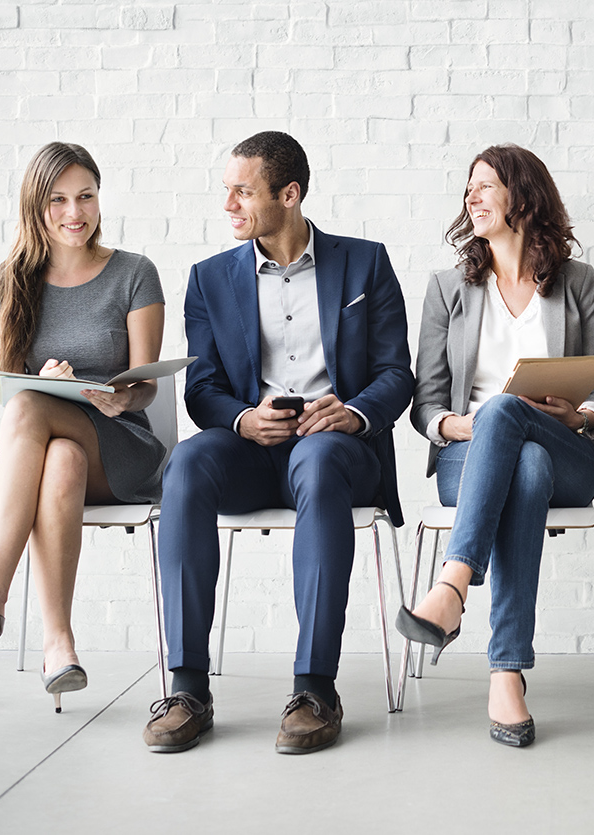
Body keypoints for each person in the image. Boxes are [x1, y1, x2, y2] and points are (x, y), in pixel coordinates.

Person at [143, 131, 413, 754]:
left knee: (317, 459)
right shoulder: (210, 279)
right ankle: (187, 687)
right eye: (227, 191)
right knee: (187, 462)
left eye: (243, 191)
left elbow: (396, 372)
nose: (229, 204)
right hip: (252, 450)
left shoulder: (365, 263)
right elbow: (202, 387)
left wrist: (353, 413)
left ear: (289, 195)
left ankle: (315, 688)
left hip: (338, 450)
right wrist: (243, 419)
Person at [0, 142, 166, 713]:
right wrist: (41, 381)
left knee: (33, 411)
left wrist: (119, 398)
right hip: (37, 455)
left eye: (86, 196)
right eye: (58, 200)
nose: (74, 212)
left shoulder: (134, 273)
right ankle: (59, 645)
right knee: (59, 455)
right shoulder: (6, 284)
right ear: (35, 206)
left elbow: (147, 386)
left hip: (119, 447)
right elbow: (8, 390)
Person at [397, 145, 594, 748]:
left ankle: (452, 586)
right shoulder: (448, 288)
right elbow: (426, 403)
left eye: (486, 185)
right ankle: (506, 673)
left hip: (566, 448)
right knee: (522, 459)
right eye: (469, 187)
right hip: (469, 457)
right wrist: (458, 425)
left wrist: (581, 414)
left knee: (519, 429)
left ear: (524, 195)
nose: (472, 196)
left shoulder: (576, 282)